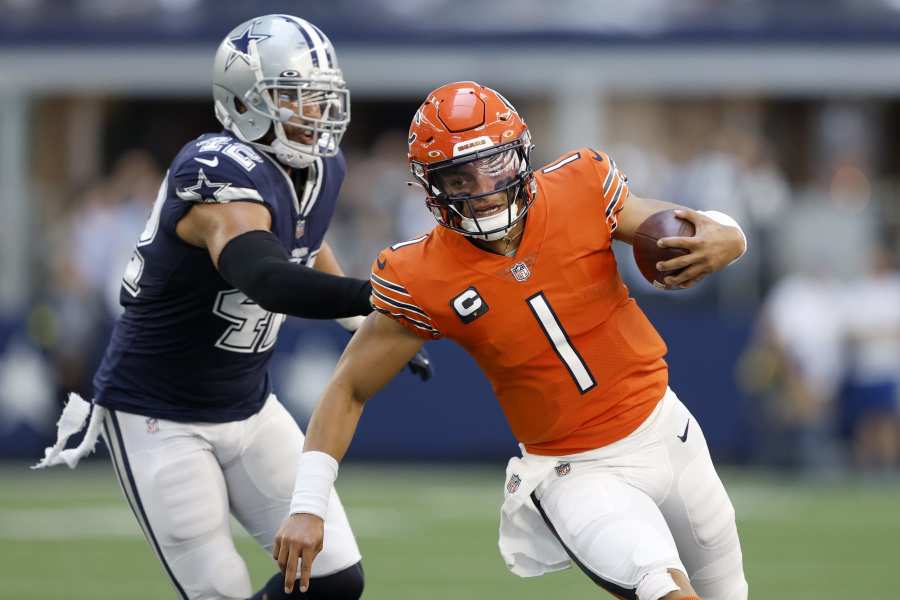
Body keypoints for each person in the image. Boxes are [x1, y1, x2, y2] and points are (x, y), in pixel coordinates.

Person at [274, 82, 749, 600]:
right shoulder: (421, 273)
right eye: (458, 176)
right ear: (431, 187)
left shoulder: (581, 185)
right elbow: (349, 387)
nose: (482, 187)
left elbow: (689, 227)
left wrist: (730, 234)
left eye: (493, 164)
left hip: (669, 431)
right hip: (575, 472)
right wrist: (307, 504)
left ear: (520, 154)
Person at [34, 14, 431, 600]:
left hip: (248, 406)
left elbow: (303, 237)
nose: (315, 113)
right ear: (246, 101)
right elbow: (266, 275)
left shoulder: (321, 168)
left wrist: (362, 321)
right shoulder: (214, 171)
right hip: (159, 415)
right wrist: (383, 298)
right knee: (220, 590)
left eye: (321, 98)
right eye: (295, 97)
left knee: (334, 579)